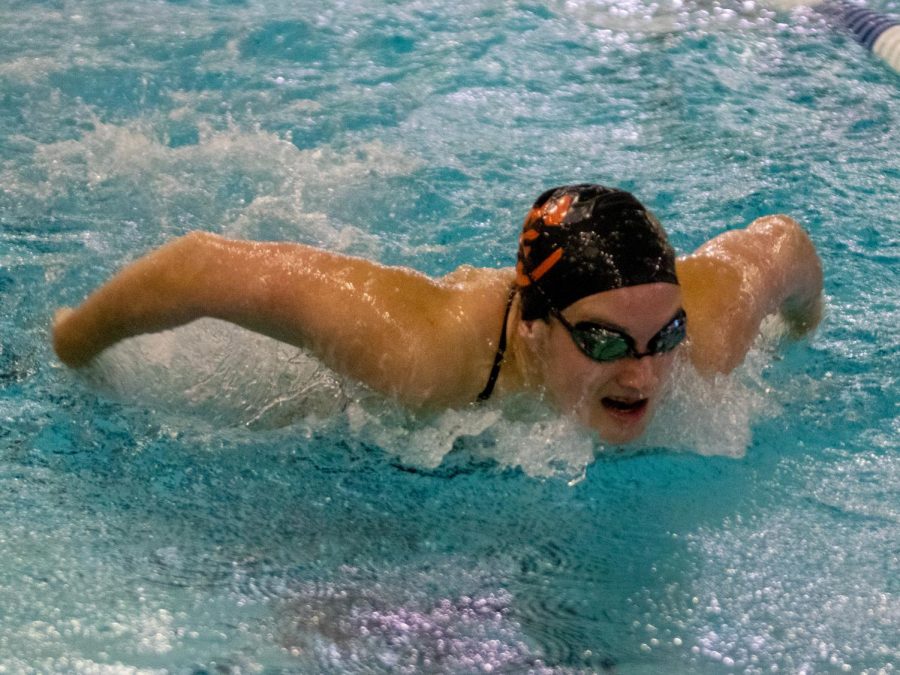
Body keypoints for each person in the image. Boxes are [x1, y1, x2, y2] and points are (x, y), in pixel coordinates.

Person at [52, 184, 823, 444]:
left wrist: (806, 330)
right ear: (529, 320)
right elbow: (197, 266)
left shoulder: (705, 342)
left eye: (665, 336)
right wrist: (70, 344)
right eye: (603, 339)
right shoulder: (421, 355)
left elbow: (782, 245)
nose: (646, 370)